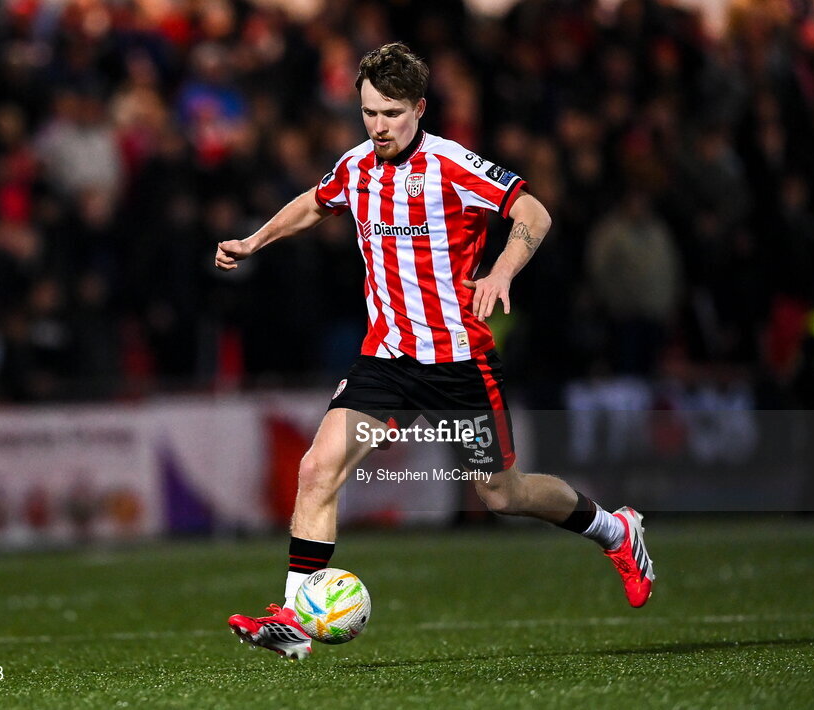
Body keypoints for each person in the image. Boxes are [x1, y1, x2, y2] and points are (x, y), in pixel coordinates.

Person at [219, 43, 655, 661]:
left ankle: (616, 528)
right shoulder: (357, 166)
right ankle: (296, 621)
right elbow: (316, 203)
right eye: (368, 112)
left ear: (420, 109)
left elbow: (534, 211)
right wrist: (256, 239)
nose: (378, 126)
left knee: (501, 495)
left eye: (391, 113)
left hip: (459, 363)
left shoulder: (453, 165)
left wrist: (503, 270)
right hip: (388, 357)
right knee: (318, 469)